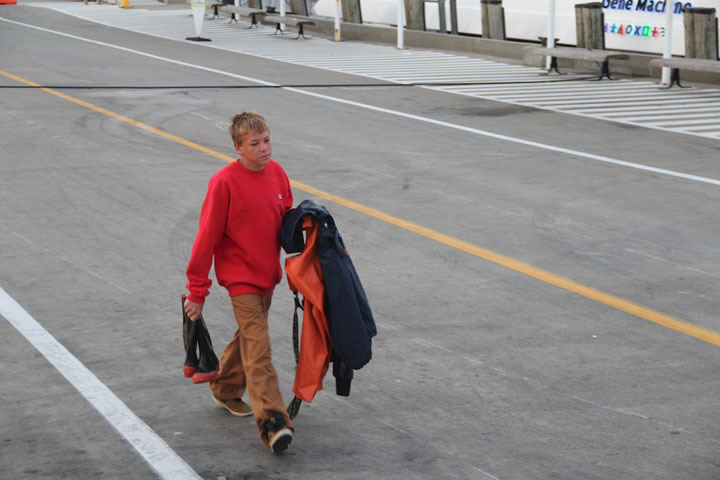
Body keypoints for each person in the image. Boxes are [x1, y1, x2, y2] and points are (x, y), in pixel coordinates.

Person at [183, 111, 294, 453]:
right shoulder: (224, 182)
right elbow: (206, 239)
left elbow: (286, 222)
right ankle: (272, 422)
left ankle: (226, 387)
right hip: (240, 279)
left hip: (267, 277)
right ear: (238, 147)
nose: (264, 149)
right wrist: (197, 291)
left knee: (249, 335)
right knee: (259, 347)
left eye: (267, 140)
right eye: (255, 144)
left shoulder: (277, 174)